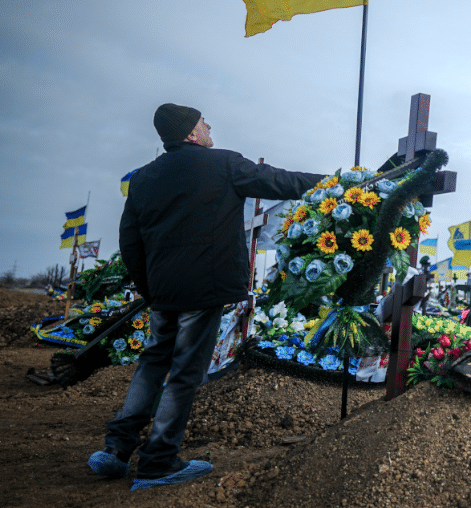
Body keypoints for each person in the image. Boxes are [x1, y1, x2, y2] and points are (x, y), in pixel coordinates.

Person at [88, 103, 322, 490]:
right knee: (184, 373)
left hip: (163, 291)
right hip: (203, 288)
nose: (209, 125)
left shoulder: (143, 178)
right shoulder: (224, 164)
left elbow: (129, 241)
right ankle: (158, 462)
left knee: (152, 362)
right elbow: (282, 181)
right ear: (191, 134)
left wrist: (151, 288)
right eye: (202, 122)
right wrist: (336, 185)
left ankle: (115, 450)